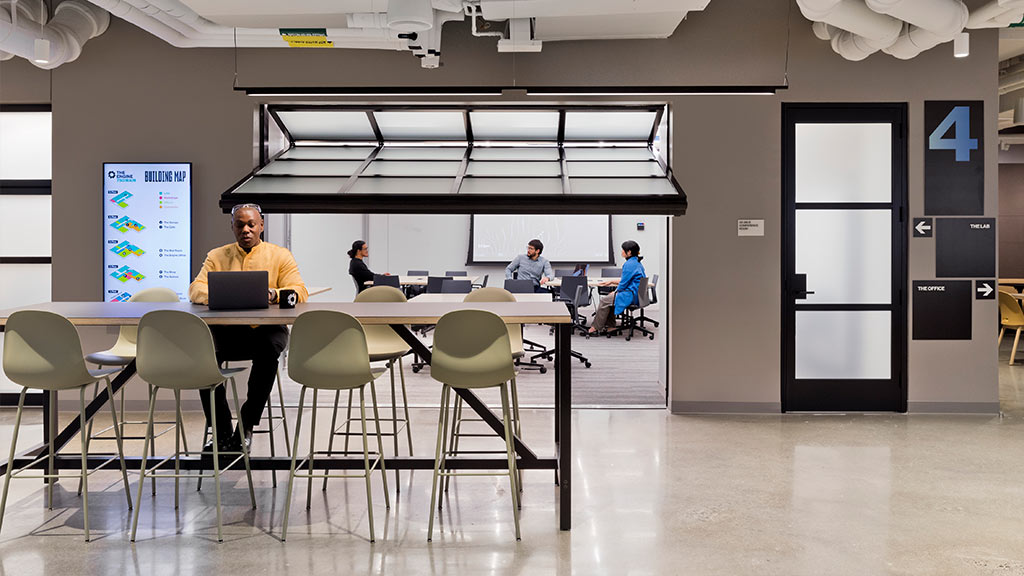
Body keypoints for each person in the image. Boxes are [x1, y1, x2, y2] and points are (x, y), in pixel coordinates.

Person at [188, 203, 308, 450]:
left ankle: (245, 427)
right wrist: (221, 295)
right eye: (240, 224)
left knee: (268, 353)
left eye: (251, 224)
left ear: (261, 226)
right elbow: (195, 289)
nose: (246, 230)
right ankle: (221, 432)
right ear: (232, 226)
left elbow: (299, 291)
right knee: (202, 356)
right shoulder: (216, 256)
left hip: (266, 330)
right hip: (227, 330)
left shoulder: (280, 255)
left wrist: (274, 294)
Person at [588, 240, 646, 335]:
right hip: (636, 293)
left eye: (623, 250)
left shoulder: (629, 264)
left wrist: (615, 292)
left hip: (630, 294)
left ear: (629, 252)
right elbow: (628, 279)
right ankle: (611, 327)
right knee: (609, 300)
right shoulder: (636, 263)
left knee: (604, 301)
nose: (621, 252)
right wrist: (612, 282)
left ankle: (595, 327)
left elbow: (624, 283)